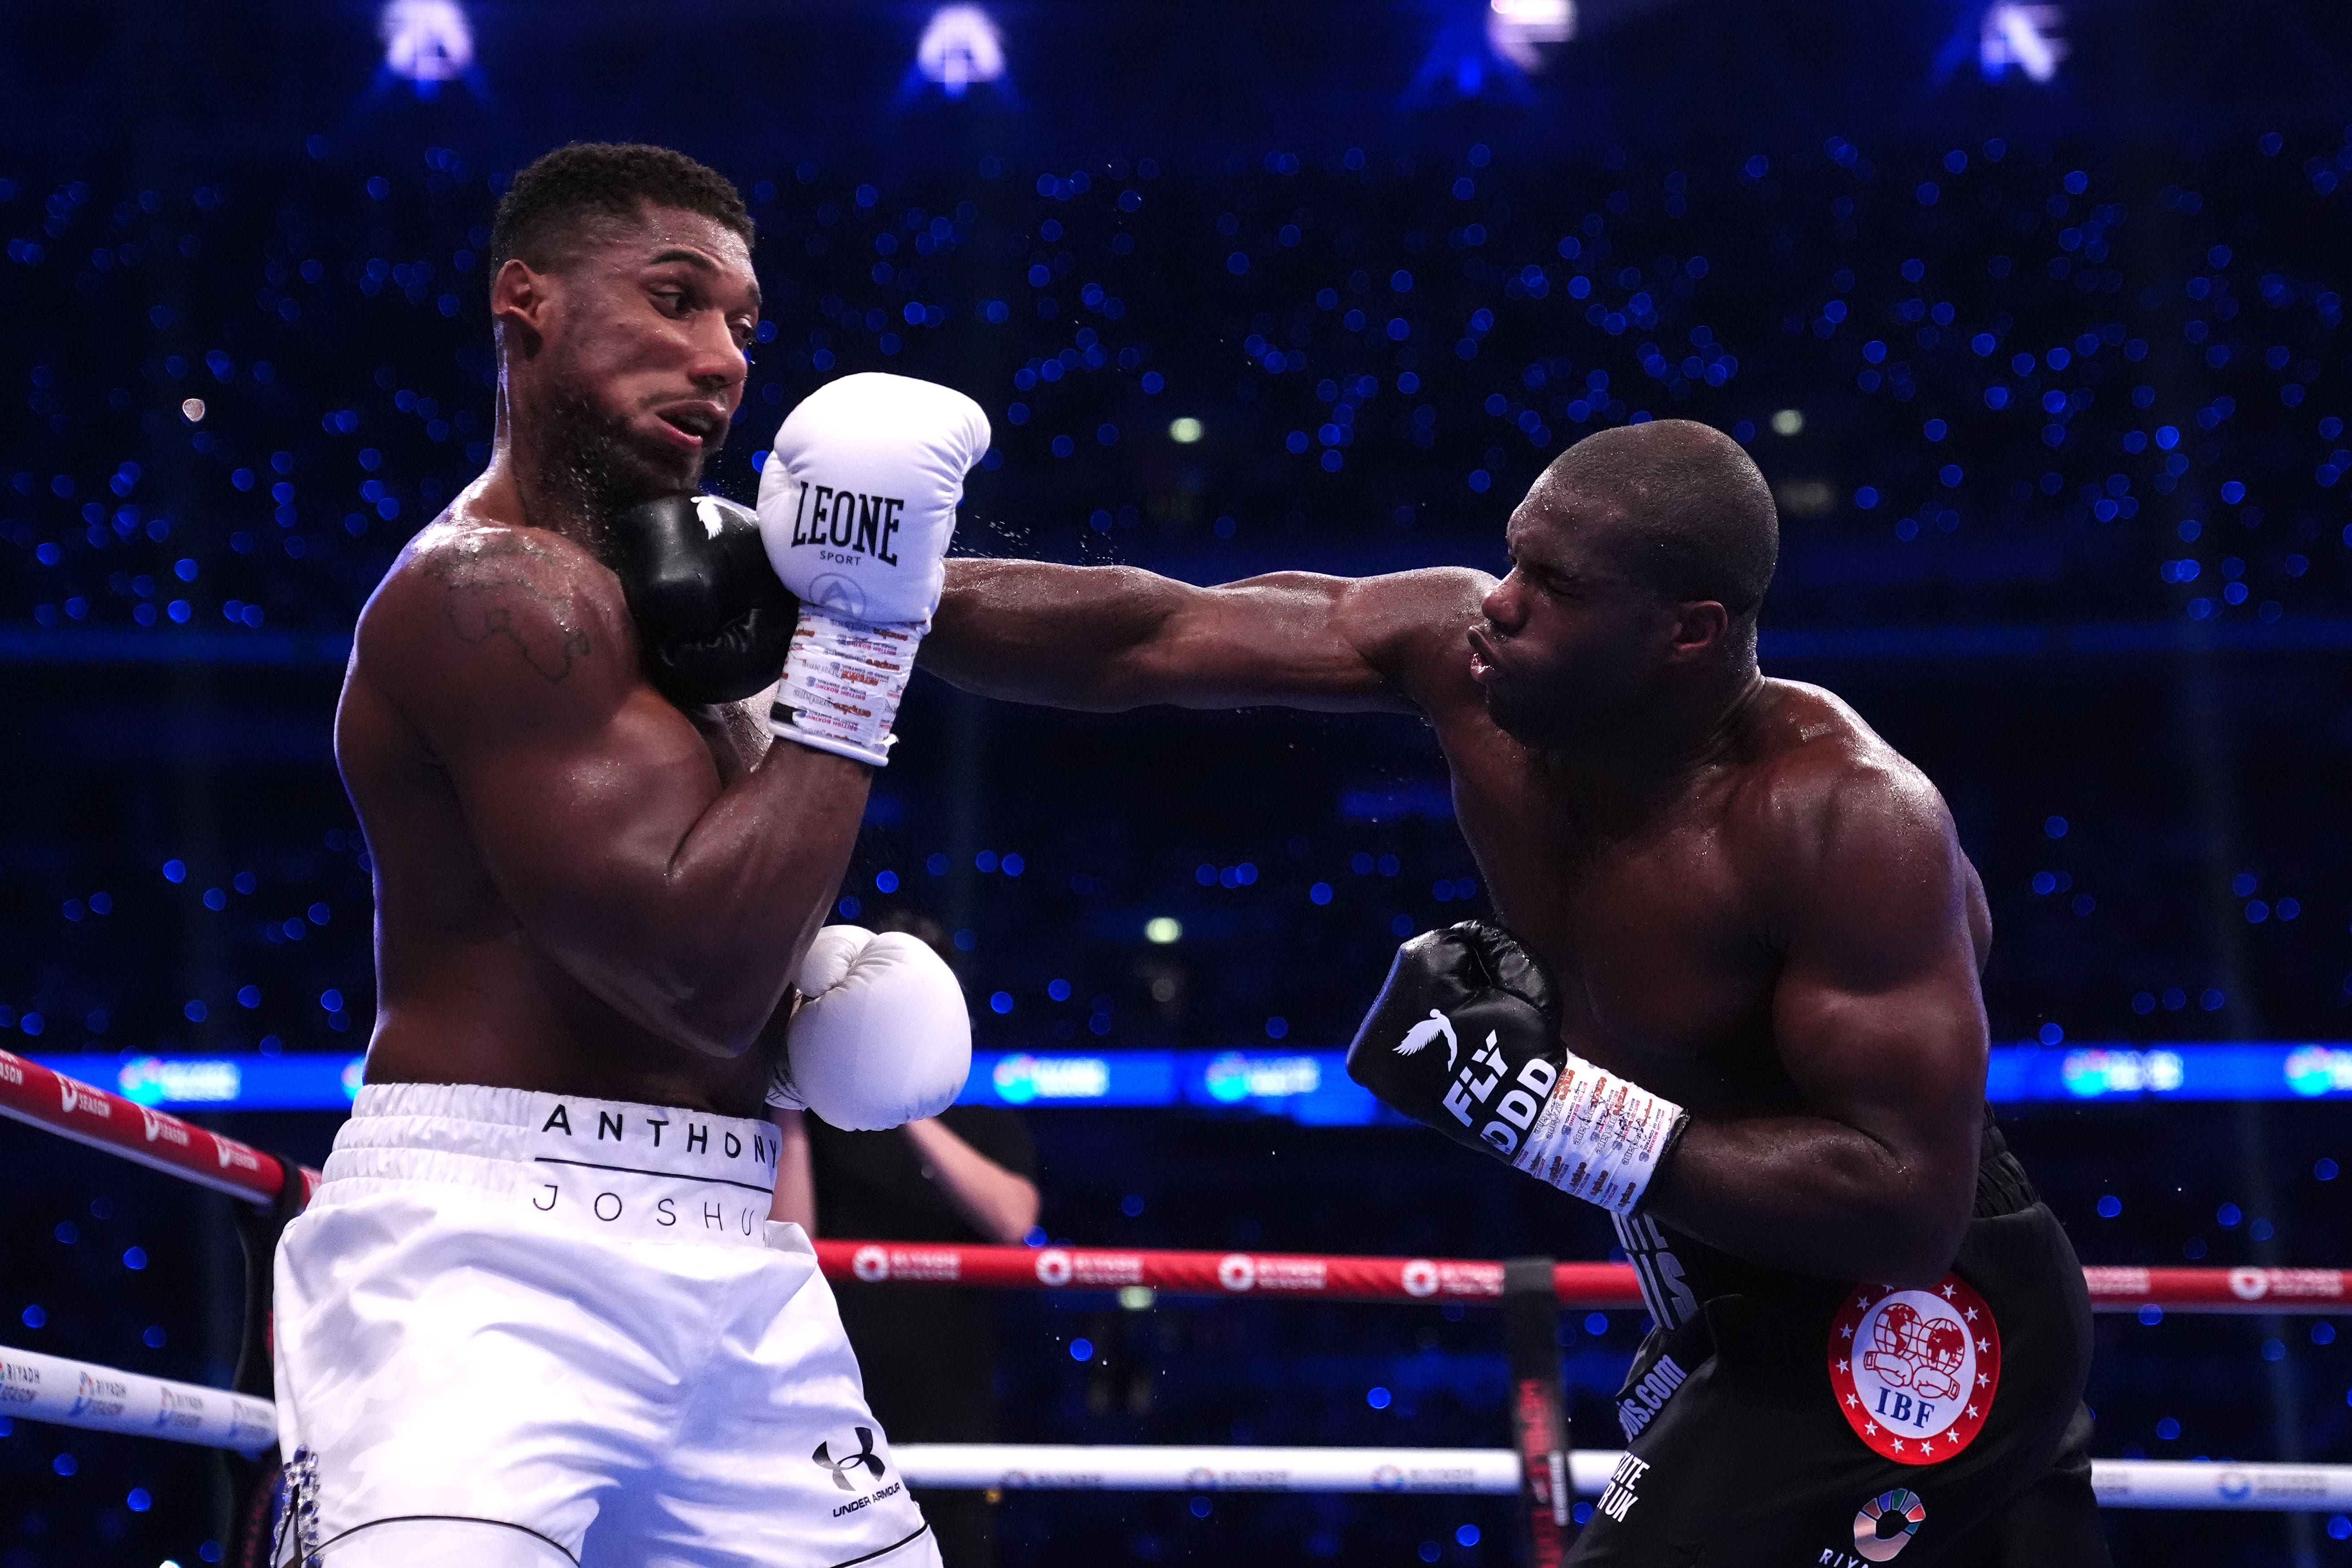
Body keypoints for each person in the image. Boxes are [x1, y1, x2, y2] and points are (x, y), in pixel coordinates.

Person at [919, 419, 2107, 1567]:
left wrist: (1553, 1109)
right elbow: (1151, 631)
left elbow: (1906, 1203)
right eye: (1511, 555)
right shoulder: (1464, 660)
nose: (1497, 599)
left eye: (1554, 583)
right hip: (1726, 1283)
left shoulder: (1839, 818)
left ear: (1684, 633)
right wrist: (850, 605)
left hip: (1913, 1317)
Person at [271, 142, 987, 1567]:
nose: (719, 358)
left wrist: (1405, 640)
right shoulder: (487, 594)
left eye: (739, 323)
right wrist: (860, 646)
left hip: (734, 1260)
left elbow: (1112, 627)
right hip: (479, 1264)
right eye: (674, 300)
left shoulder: (720, 574)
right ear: (523, 303)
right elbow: (697, 976)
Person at [772, 912, 1040, 1568]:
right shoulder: (807, 1122)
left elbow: (1012, 1221)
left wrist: (899, 1093)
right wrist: (792, 1085)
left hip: (948, 1416)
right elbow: (789, 1236)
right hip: (827, 1411)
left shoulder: (981, 1127)